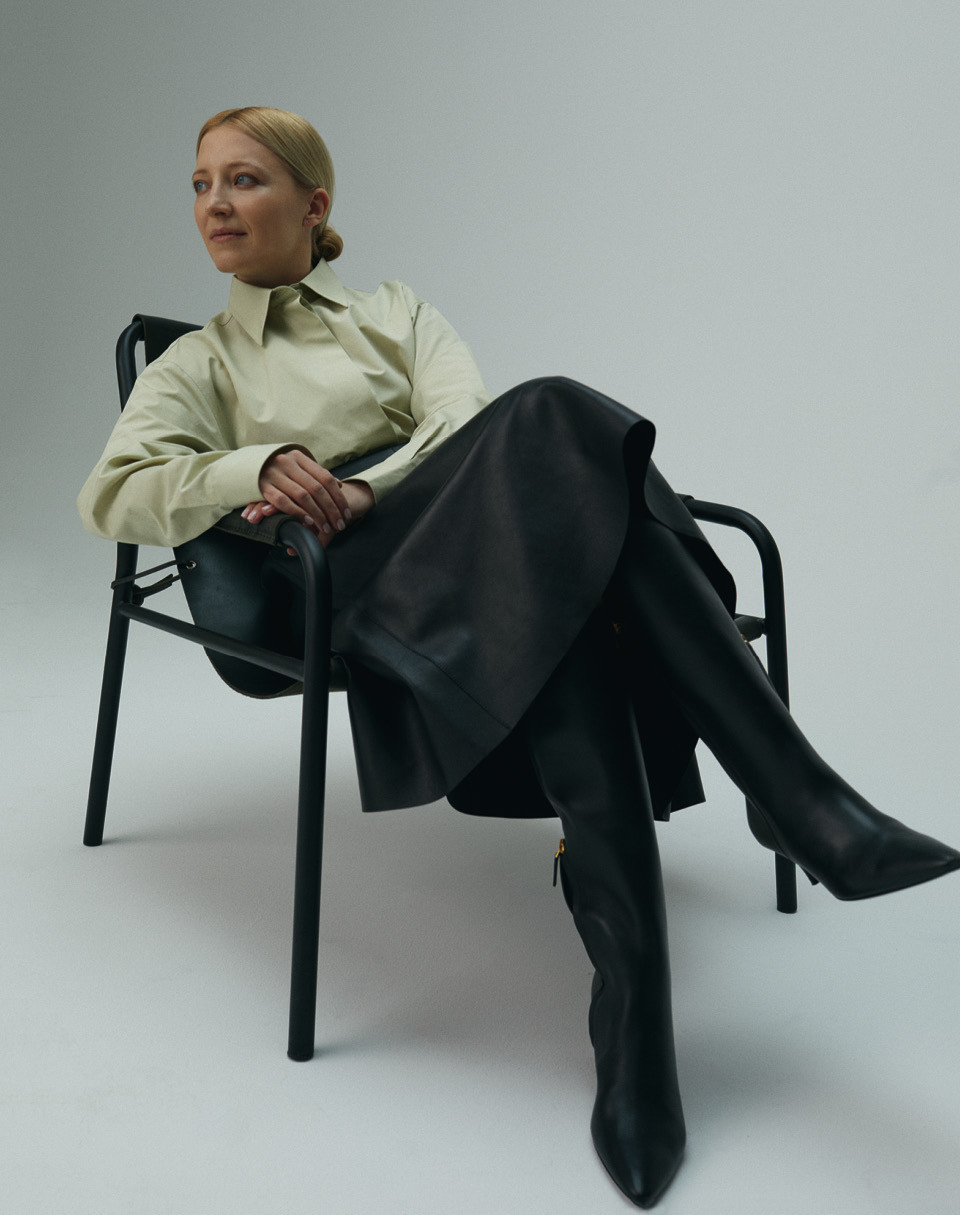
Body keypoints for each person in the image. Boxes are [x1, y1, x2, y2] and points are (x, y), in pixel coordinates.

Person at [77, 107, 960, 1209]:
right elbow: (111, 494)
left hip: (448, 543)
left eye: (244, 179)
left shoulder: (396, 314)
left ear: (314, 203)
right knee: (561, 456)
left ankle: (636, 1016)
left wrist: (366, 484)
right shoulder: (197, 364)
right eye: (201, 183)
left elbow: (463, 419)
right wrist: (249, 466)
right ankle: (800, 803)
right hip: (343, 583)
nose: (214, 203)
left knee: (551, 511)